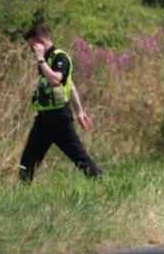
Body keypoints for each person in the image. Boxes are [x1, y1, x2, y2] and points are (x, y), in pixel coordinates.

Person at [19, 25, 102, 182]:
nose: (31, 50)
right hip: (43, 118)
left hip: (59, 118)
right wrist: (79, 111)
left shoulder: (59, 57)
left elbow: (56, 80)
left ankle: (101, 183)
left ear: (40, 42)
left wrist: (40, 59)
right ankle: (19, 194)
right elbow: (70, 86)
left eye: (32, 46)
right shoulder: (46, 59)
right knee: (28, 160)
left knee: (79, 157)